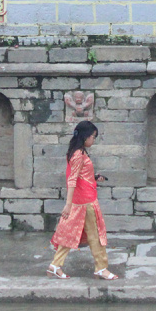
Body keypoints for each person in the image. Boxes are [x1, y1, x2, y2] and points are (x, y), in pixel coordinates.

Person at [47, 120, 118, 280]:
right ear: (85, 136)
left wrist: (93, 178)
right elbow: (72, 180)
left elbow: (79, 176)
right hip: (86, 202)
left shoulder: (76, 152)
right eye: (93, 136)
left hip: (83, 199)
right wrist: (68, 204)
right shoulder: (79, 155)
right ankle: (101, 268)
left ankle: (55, 265)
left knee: (70, 234)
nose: (94, 140)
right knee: (96, 235)